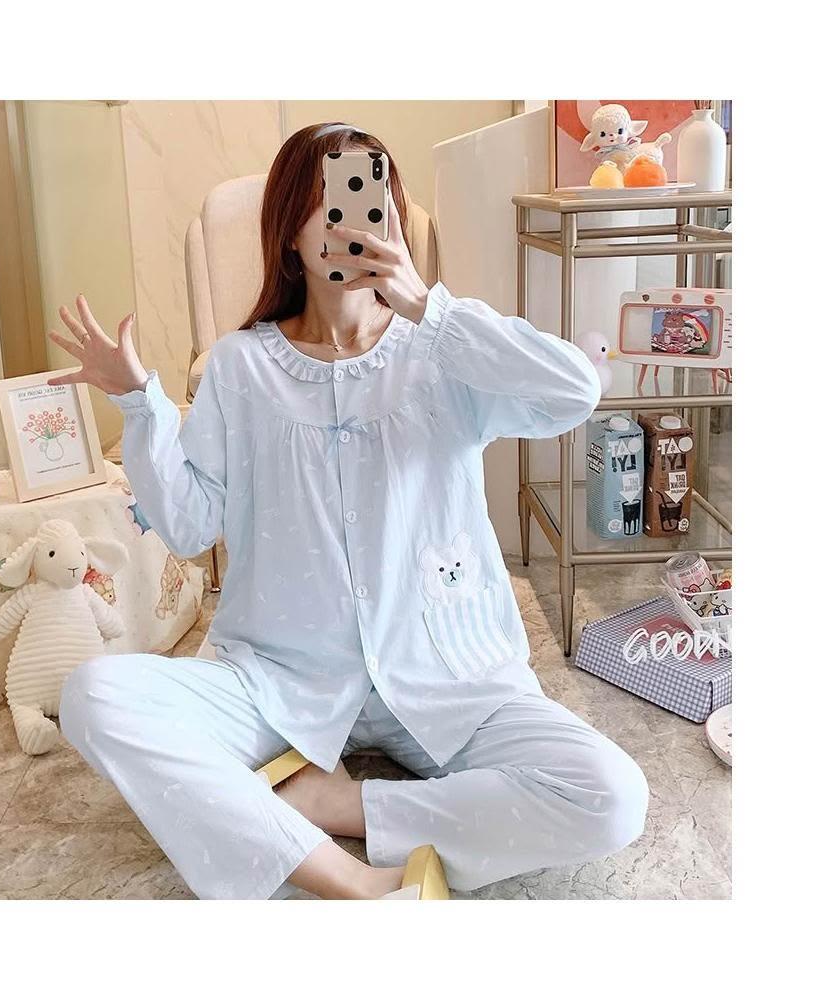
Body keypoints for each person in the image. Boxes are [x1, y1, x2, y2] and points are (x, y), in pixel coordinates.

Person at [53, 122, 649, 900]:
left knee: (611, 795)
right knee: (94, 696)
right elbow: (192, 525)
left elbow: (574, 392)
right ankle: (352, 881)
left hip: (445, 674)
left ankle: (336, 806)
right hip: (279, 683)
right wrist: (140, 404)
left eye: (370, 198)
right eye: (327, 202)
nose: (350, 222)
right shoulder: (239, 368)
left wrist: (425, 306)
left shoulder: (442, 350)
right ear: (288, 231)